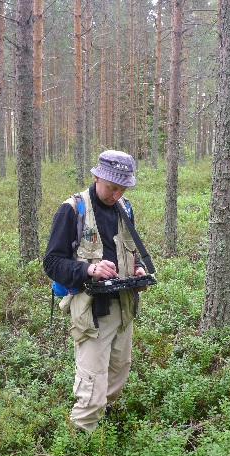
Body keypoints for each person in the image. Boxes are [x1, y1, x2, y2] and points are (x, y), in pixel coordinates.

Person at [43, 150, 150, 433]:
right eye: (112, 187)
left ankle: (106, 425)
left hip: (123, 306)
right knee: (92, 381)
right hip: (91, 311)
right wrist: (88, 269)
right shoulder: (72, 209)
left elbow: (128, 250)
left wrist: (137, 269)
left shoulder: (124, 208)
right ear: (96, 177)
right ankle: (80, 443)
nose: (116, 195)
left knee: (118, 370)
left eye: (122, 188)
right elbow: (52, 263)